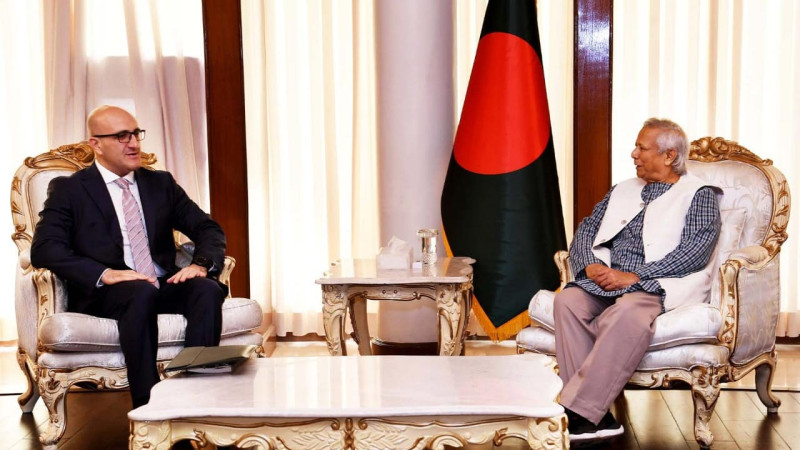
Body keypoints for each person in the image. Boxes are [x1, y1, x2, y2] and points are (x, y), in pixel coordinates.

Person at [31, 105, 227, 409]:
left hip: (160, 282)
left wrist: (200, 264)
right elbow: (45, 247)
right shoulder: (70, 190)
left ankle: (194, 401)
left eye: (136, 134)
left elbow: (207, 227)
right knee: (139, 292)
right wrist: (104, 274)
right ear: (96, 144)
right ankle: (149, 408)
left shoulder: (160, 183)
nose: (134, 143)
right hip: (108, 293)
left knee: (206, 289)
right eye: (122, 136)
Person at [554, 118, 721, 443]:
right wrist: (589, 266)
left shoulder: (699, 195)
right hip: (607, 279)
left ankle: (578, 412)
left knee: (626, 312)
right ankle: (597, 415)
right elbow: (587, 229)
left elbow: (694, 253)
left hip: (655, 284)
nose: (633, 154)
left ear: (670, 156)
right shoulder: (621, 189)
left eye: (641, 148)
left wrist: (633, 276)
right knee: (568, 300)